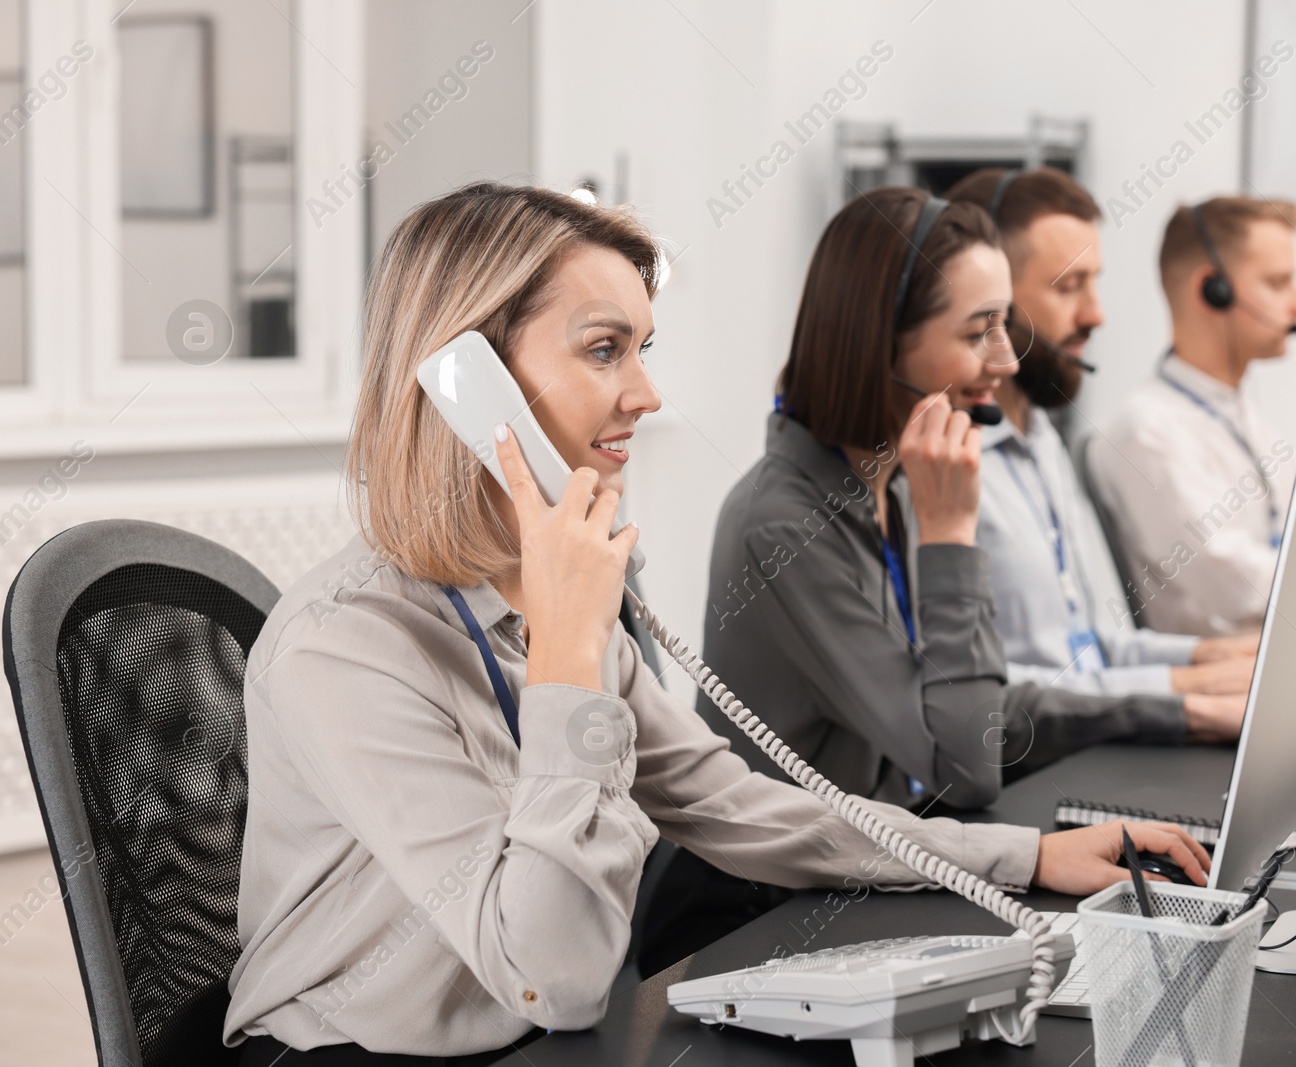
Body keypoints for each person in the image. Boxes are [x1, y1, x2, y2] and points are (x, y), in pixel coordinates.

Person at [222, 182, 1210, 1064]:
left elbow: (734, 802)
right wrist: (569, 655)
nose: (646, 395)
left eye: (641, 349)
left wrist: (1022, 855)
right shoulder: (346, 645)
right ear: (464, 381)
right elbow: (555, 973)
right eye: (605, 349)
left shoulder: (544, 600)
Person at [945, 167, 1259, 702]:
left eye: (1094, 282)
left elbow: (1093, 645)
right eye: (1068, 286)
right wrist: (1185, 687)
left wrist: (1212, 658)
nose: (1096, 314)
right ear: (990, 298)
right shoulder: (941, 465)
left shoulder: (1042, 438)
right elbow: (976, 696)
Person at [1088, 196, 1296, 637]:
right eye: (1278, 282)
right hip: (1226, 684)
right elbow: (1234, 585)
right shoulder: (1149, 431)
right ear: (1214, 290)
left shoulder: (1240, 413)